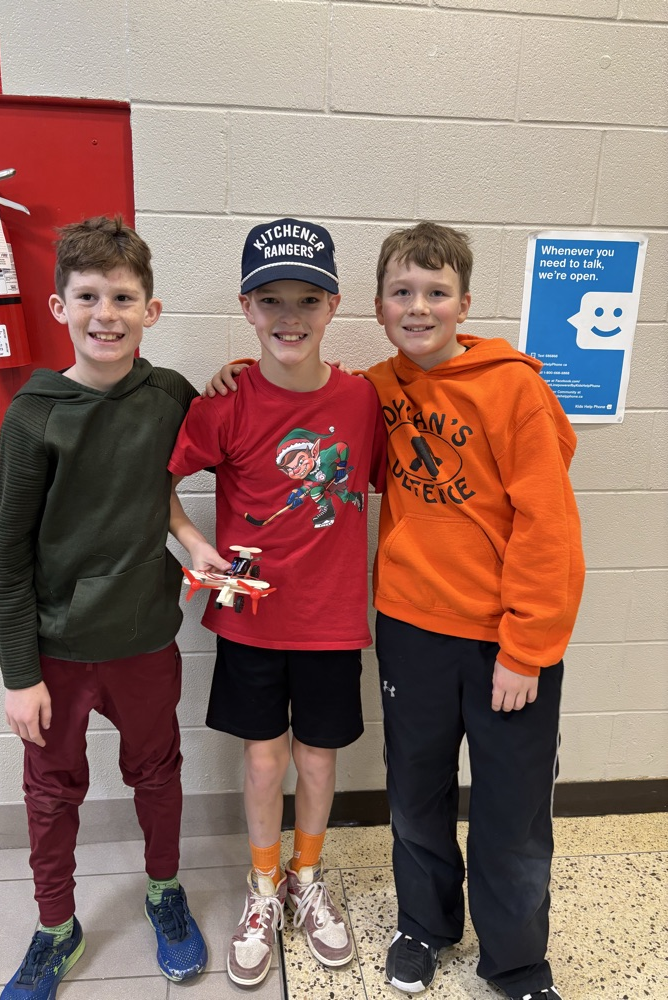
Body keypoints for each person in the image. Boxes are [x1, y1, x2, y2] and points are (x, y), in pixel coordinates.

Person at [208, 221, 584, 1000]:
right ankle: (424, 927)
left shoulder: (515, 389)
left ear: (465, 303)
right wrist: (236, 377)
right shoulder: (374, 391)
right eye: (402, 293)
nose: (419, 308)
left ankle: (517, 964)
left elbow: (550, 528)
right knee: (415, 796)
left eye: (436, 293)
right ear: (377, 308)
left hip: (505, 644)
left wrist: (527, 646)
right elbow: (305, 403)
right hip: (411, 629)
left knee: (511, 816)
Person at [0, 215, 226, 999]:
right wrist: (20, 674)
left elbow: (164, 481)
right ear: (59, 306)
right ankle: (55, 925)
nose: (106, 314)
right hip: (56, 652)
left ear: (150, 311)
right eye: (87, 296)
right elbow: (10, 558)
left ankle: (165, 891)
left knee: (156, 773)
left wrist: (191, 536)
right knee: (52, 794)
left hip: (141, 642)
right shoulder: (32, 416)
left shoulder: (170, 396)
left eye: (123, 297)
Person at [167, 218, 387, 987]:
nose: (289, 316)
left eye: (307, 298)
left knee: (318, 757)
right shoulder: (222, 404)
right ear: (247, 308)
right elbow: (159, 485)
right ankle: (263, 889)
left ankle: (306, 877)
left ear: (332, 308)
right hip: (253, 618)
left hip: (330, 620)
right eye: (271, 300)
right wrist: (195, 545)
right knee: (263, 759)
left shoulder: (364, 401)